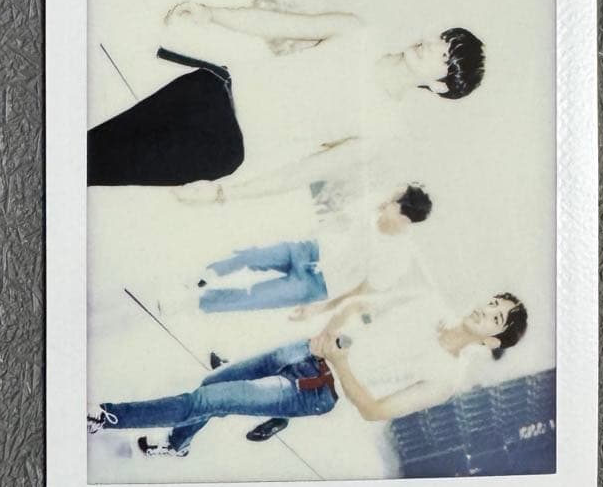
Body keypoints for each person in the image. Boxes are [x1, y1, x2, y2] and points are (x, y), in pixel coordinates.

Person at [87, 0, 485, 190]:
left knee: (100, 168)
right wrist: (213, 14)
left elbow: (302, 173)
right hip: (211, 89)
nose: (432, 45)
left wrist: (228, 196)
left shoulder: (383, 128)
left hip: (225, 147)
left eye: (444, 57)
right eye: (442, 38)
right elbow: (277, 24)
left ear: (440, 87)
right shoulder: (356, 32)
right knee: (93, 143)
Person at [86, 291, 528, 460]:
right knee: (210, 387)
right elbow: (362, 304)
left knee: (206, 401)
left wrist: (341, 362)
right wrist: (329, 331)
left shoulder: (446, 379)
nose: (485, 310)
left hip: (316, 390)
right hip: (304, 350)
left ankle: (104, 416)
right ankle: (179, 443)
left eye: (496, 318)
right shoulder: (429, 303)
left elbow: (374, 411)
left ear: (493, 340)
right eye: (492, 303)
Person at [193, 184, 432, 314]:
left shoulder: (397, 255)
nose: (389, 201)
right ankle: (205, 276)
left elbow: (360, 294)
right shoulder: (375, 205)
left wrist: (320, 309)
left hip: (318, 285)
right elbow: (340, 218)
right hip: (310, 250)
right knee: (251, 256)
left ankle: (195, 304)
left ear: (404, 219)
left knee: (252, 298)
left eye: (395, 202)